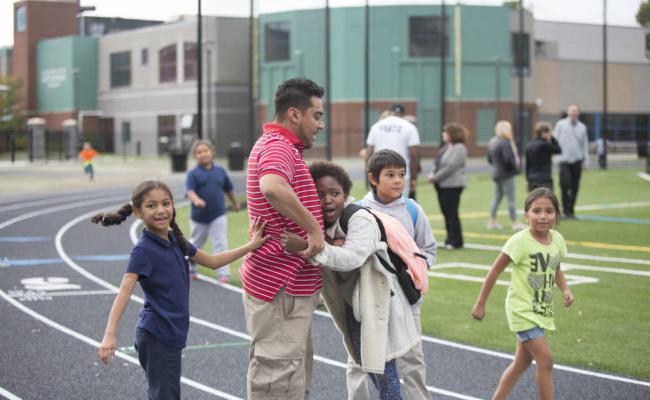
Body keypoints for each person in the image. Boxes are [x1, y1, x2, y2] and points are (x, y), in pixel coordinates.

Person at [94, 180, 268, 400]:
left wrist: (251, 246)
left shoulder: (176, 241)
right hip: (157, 335)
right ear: (138, 212)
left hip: (170, 333)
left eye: (165, 203)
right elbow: (125, 289)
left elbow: (213, 261)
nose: (160, 210)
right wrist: (109, 335)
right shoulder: (143, 250)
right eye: (151, 205)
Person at [282, 161, 422, 399]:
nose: (328, 200)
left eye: (335, 193)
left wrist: (309, 246)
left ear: (345, 194)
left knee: (383, 365)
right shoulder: (317, 224)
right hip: (354, 304)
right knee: (367, 362)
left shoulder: (359, 219)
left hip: (380, 302)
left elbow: (351, 258)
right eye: (320, 194)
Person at [241, 77, 326, 399]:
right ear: (294, 114)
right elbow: (272, 187)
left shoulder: (281, 146)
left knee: (292, 379)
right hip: (281, 287)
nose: (320, 124)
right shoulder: (278, 146)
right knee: (278, 382)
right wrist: (314, 231)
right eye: (316, 115)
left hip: (287, 287)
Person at [471, 187, 574, 400]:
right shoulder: (519, 241)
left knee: (522, 363)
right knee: (545, 361)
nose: (543, 216)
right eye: (536, 211)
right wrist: (481, 303)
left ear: (557, 215)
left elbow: (555, 269)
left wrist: (565, 289)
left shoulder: (557, 240)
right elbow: (494, 272)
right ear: (526, 216)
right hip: (522, 310)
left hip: (540, 310)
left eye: (549, 211)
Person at [359, 149, 435, 400]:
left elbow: (428, 247)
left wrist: (417, 273)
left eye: (401, 174)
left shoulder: (412, 209)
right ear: (373, 178)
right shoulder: (359, 210)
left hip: (407, 298)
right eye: (390, 175)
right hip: (373, 299)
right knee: (362, 360)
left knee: (413, 359)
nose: (398, 180)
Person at [185, 139, 240, 282]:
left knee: (220, 242)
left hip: (218, 214)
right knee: (195, 245)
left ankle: (224, 273)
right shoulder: (193, 174)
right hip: (199, 217)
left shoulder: (220, 171)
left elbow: (228, 189)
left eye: (205, 151)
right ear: (195, 156)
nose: (203, 154)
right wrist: (196, 200)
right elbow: (189, 191)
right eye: (199, 152)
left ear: (212, 152)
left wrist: (234, 203)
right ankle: (190, 268)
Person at [366, 104, 421, 199]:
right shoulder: (409, 127)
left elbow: (369, 152)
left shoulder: (376, 126)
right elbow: (413, 155)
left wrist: (370, 173)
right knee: (400, 206)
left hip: (379, 174)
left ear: (390, 112)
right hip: (400, 175)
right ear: (403, 114)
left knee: (378, 207)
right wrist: (413, 178)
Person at [428, 122, 468, 250]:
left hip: (453, 185)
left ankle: (456, 241)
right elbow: (438, 163)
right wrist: (432, 173)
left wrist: (435, 177)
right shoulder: (445, 147)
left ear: (452, 134)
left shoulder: (459, 148)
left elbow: (451, 166)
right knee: (446, 213)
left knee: (452, 213)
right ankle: (449, 238)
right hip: (441, 185)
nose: (443, 134)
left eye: (445, 132)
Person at [487, 120, 527, 231]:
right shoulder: (505, 142)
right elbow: (508, 159)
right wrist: (516, 169)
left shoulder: (493, 141)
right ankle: (515, 222)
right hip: (506, 175)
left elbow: (489, 159)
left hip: (496, 174)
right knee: (511, 200)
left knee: (497, 198)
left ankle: (491, 222)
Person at [553, 104, 590, 219]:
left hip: (577, 161)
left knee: (575, 186)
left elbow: (585, 145)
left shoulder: (582, 127)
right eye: (571, 111)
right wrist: (553, 157)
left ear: (578, 113)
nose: (573, 113)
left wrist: (586, 161)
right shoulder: (560, 125)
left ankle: (570, 211)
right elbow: (554, 141)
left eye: (575, 111)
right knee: (564, 184)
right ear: (568, 112)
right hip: (563, 160)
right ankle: (564, 209)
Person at [525, 121, 562, 192]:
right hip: (544, 178)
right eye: (549, 132)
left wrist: (528, 178)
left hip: (532, 178)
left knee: (533, 201)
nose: (550, 134)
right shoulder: (546, 145)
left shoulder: (529, 145)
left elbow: (527, 164)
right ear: (544, 133)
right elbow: (559, 150)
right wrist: (553, 138)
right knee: (547, 201)